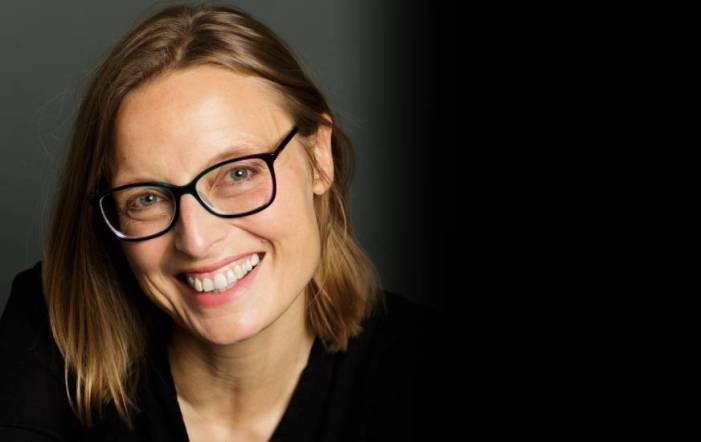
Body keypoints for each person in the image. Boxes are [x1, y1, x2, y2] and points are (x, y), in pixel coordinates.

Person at [0, 4, 447, 441]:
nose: (196, 239)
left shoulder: (420, 371)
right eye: (148, 198)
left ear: (319, 158)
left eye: (238, 174)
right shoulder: (51, 338)